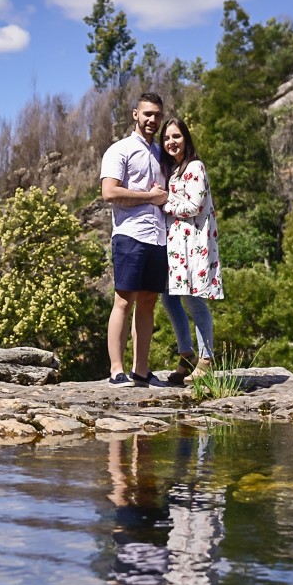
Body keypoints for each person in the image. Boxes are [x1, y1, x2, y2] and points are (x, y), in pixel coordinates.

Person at [100, 92, 169, 387]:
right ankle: (117, 370)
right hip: (130, 235)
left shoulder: (161, 153)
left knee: (149, 302)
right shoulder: (120, 150)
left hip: (158, 237)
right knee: (123, 301)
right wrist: (149, 197)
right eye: (147, 114)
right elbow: (109, 193)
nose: (152, 120)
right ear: (135, 114)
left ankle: (141, 371)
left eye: (157, 115)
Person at [158, 118, 221, 385]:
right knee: (169, 298)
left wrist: (163, 201)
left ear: (186, 138)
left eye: (177, 136)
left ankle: (206, 359)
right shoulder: (174, 170)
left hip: (193, 243)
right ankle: (187, 355)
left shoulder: (195, 167)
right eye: (167, 138)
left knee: (195, 300)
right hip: (176, 246)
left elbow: (194, 205)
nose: (171, 142)